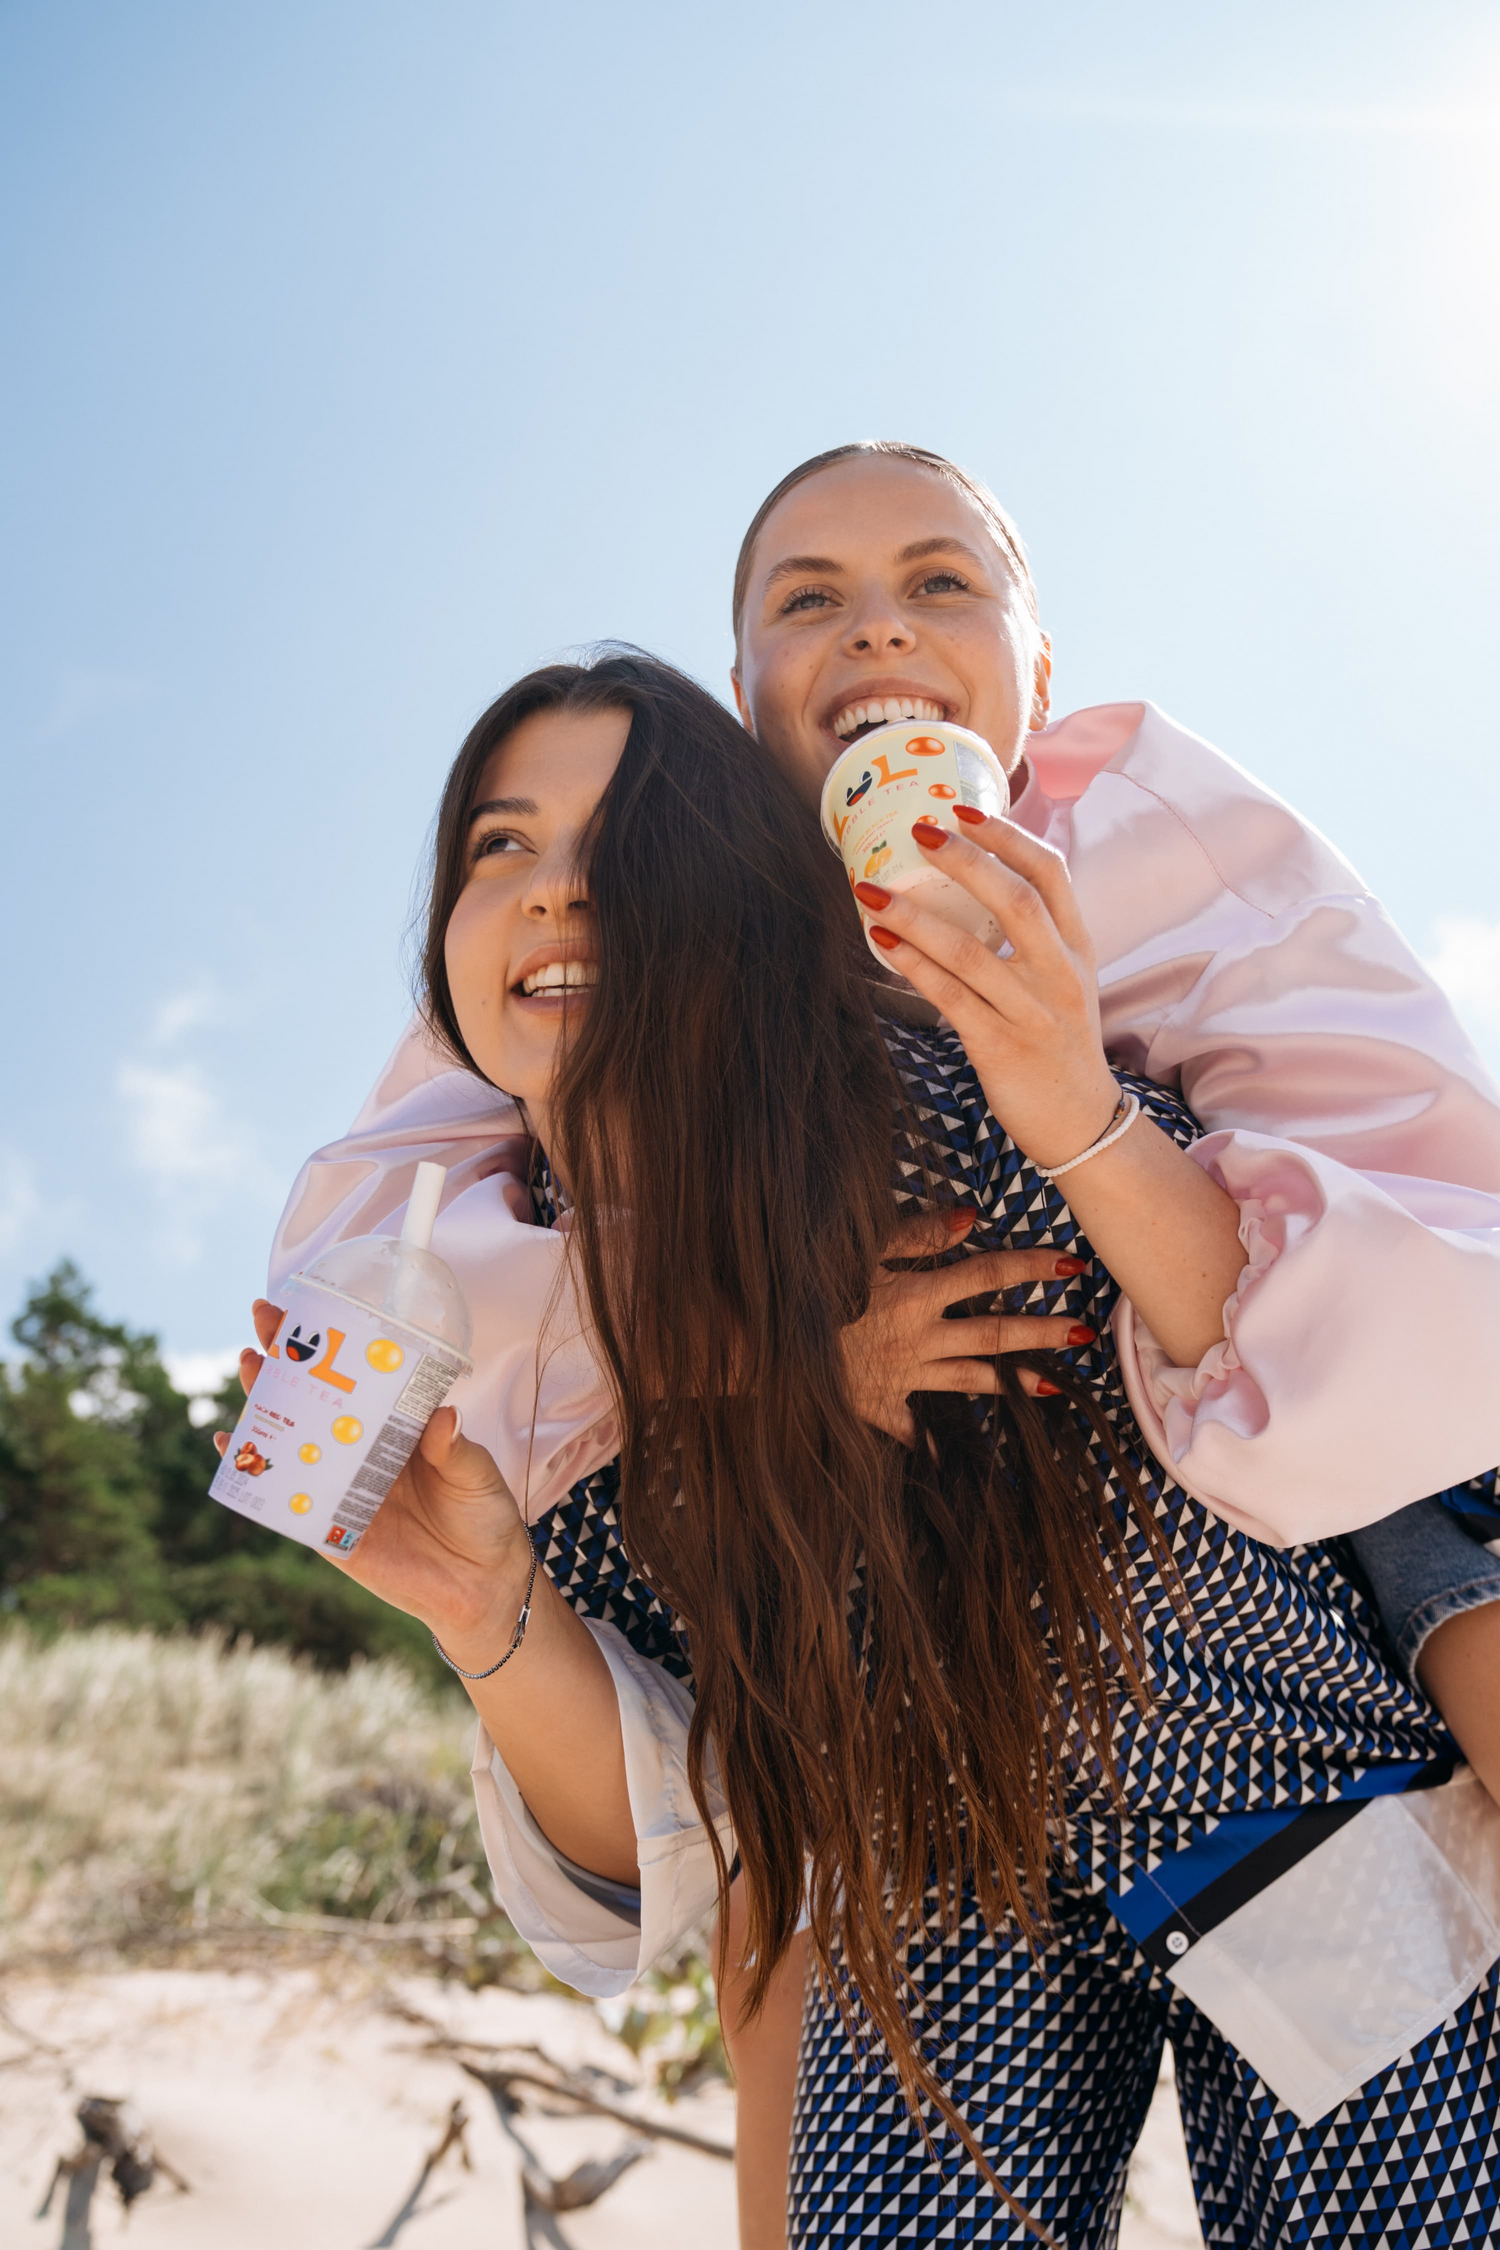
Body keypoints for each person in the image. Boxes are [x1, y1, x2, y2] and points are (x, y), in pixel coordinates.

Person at [241, 649, 1500, 2246]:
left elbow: (1284, 1365)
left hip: (1290, 1810)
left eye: (625, 847)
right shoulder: (501, 1343)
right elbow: (674, 1835)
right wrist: (483, 1612)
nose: (556, 896)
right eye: (499, 846)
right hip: (942, 1902)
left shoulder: (935, 1097)